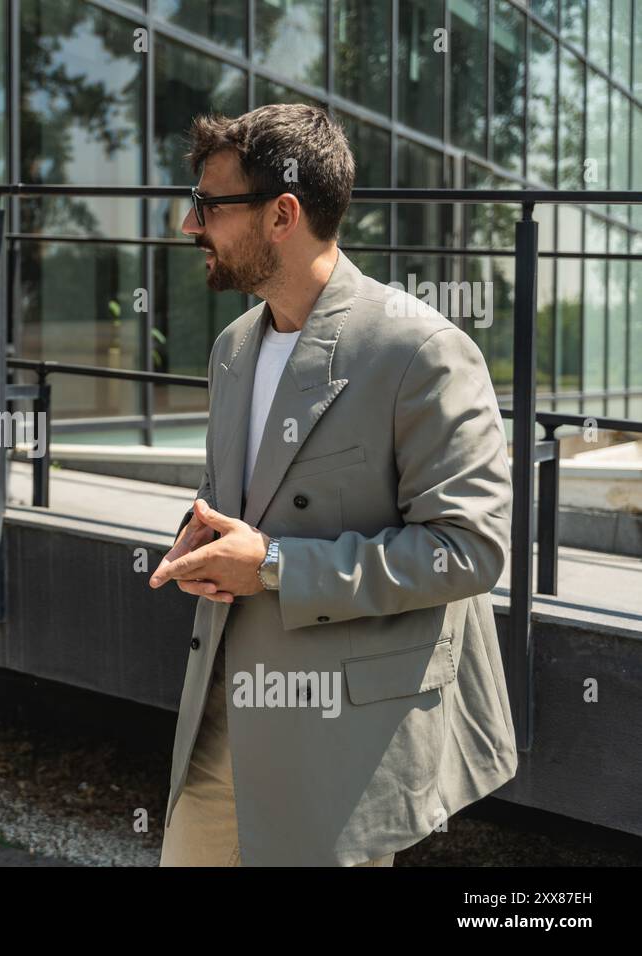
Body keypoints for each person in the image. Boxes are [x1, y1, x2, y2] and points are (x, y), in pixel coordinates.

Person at [149, 104, 518, 866]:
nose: (191, 225)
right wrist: (206, 541)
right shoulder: (232, 349)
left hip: (341, 747)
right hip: (224, 718)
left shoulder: (420, 349)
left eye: (210, 205)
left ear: (282, 214)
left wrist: (276, 565)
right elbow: (247, 505)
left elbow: (468, 550)